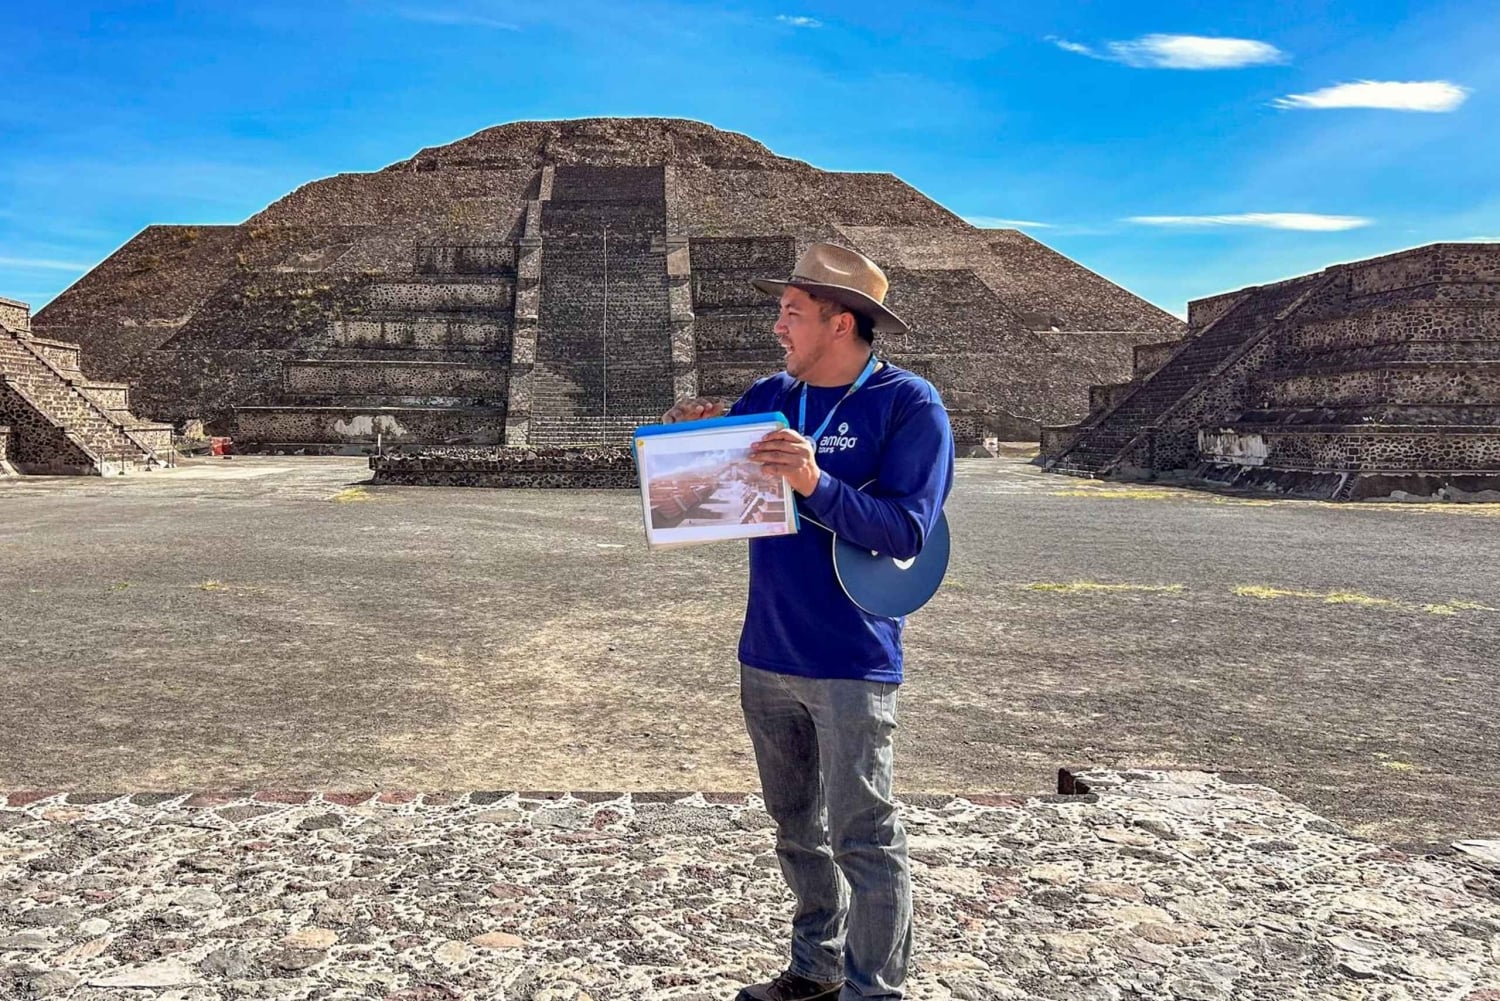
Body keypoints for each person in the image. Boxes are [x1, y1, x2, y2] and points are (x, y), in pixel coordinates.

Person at [662, 244, 955, 1001]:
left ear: (841, 321)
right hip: (767, 648)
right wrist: (692, 445)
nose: (776, 325)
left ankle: (873, 990)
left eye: (791, 311)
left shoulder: (907, 404)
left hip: (853, 656)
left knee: (867, 836)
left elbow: (906, 532)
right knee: (797, 830)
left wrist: (814, 480)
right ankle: (815, 967)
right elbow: (713, 501)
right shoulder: (769, 395)